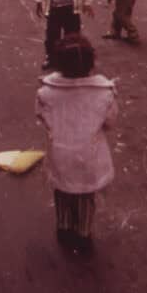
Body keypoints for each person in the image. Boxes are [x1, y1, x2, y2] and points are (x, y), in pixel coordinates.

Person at [36, 33, 117, 253]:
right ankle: (83, 235)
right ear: (91, 62)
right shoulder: (105, 93)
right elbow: (109, 122)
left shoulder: (45, 92)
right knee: (85, 196)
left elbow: (42, 117)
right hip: (89, 155)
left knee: (62, 191)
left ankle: (63, 227)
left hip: (61, 152)